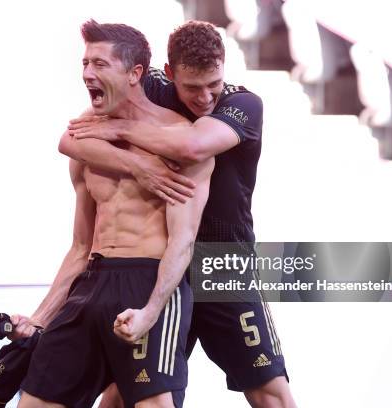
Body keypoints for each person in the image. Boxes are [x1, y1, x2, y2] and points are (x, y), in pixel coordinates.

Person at [61, 20, 296, 408]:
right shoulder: (149, 87)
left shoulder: (244, 103)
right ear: (169, 74)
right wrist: (136, 166)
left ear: (224, 68)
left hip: (223, 263)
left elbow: (192, 147)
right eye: (192, 87)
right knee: (124, 393)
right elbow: (72, 139)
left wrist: (120, 127)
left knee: (272, 391)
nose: (205, 98)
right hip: (156, 262)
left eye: (213, 84)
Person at [16, 20, 214, 408]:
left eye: (100, 64)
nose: (88, 73)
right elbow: (79, 247)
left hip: (149, 280)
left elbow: (183, 240)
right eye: (85, 63)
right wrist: (38, 319)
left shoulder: (180, 139)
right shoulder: (86, 141)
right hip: (92, 281)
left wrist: (150, 312)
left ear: (135, 73)